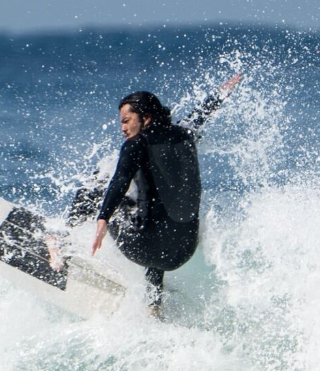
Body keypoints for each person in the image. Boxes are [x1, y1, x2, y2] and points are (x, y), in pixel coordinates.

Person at [71, 74, 242, 315]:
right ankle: (154, 304)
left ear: (146, 118)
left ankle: (62, 239)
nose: (123, 128)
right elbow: (201, 115)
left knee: (99, 179)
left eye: (127, 121)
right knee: (157, 208)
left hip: (144, 248)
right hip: (183, 250)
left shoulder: (136, 144)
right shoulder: (186, 135)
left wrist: (102, 219)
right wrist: (222, 93)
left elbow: (119, 180)